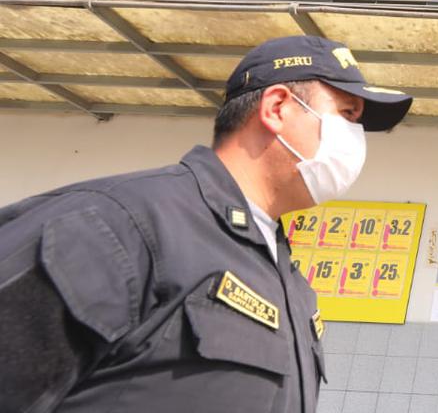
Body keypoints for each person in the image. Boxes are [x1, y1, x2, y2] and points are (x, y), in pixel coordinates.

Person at [0, 35, 413, 413]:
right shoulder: (113, 224)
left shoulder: (288, 280)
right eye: (347, 114)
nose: (356, 136)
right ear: (277, 108)